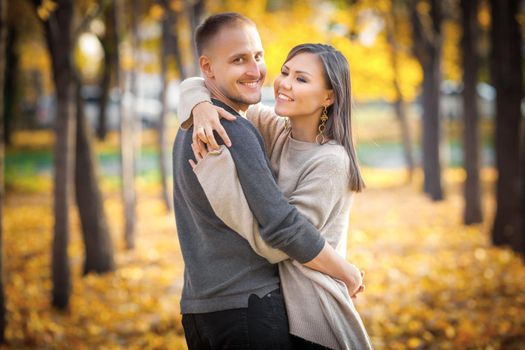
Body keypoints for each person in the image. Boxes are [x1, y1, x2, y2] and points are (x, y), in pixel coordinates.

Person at [172, 12, 364, 349]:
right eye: (285, 72)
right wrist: (200, 103)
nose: (280, 81)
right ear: (208, 66)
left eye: (258, 57)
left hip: (306, 309)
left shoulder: (330, 160)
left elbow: (282, 234)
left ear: (328, 97)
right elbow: (278, 236)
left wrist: (344, 271)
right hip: (248, 305)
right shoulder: (253, 127)